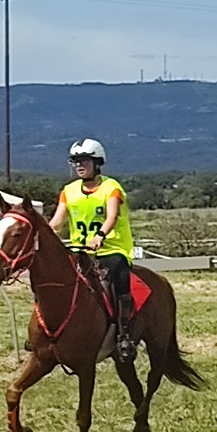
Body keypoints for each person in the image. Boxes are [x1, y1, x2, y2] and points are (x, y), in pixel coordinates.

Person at [48, 138, 137, 361]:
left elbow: (112, 216)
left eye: (84, 161)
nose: (79, 165)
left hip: (111, 248)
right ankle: (46, 330)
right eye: (75, 161)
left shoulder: (111, 188)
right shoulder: (68, 191)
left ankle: (123, 334)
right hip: (79, 250)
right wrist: (46, 235)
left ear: (97, 163)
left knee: (118, 277)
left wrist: (100, 236)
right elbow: (58, 220)